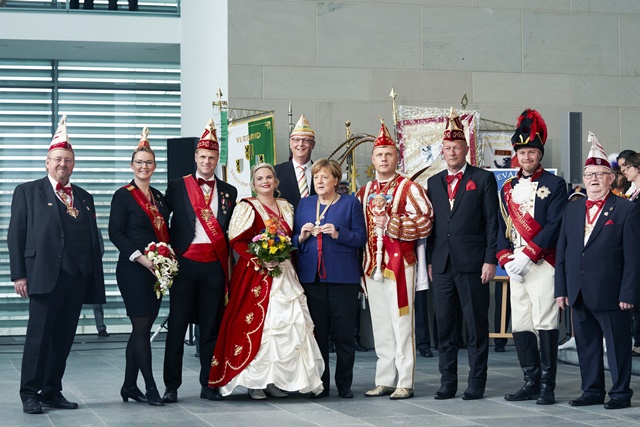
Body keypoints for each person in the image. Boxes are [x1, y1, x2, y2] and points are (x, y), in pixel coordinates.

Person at [8, 115, 106, 414]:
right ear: (47, 162)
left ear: (73, 164)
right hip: (43, 276)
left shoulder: (85, 197)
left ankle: (51, 390)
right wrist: (19, 275)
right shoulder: (27, 192)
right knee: (39, 338)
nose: (63, 164)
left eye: (68, 160)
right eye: (57, 159)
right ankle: (30, 393)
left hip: (76, 278)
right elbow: (16, 234)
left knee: (63, 339)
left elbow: (92, 238)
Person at [208, 163, 324, 399]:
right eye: (260, 178)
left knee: (289, 326)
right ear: (253, 183)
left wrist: (296, 240)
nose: (265, 181)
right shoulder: (247, 206)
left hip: (285, 272)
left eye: (269, 177)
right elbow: (237, 241)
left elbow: (290, 237)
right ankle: (256, 382)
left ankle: (277, 381)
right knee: (263, 328)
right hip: (256, 274)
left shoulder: (286, 206)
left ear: (276, 181)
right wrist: (260, 259)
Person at [555, 132, 640, 410]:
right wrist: (561, 290)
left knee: (617, 348)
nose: (593, 179)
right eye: (589, 174)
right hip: (578, 292)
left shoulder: (626, 210)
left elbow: (633, 257)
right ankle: (591, 391)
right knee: (586, 346)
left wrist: (629, 292)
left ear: (611, 178)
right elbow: (564, 253)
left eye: (600, 174)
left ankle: (619, 394)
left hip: (613, 293)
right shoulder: (573, 209)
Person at [356, 120, 433, 400]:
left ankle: (405, 380)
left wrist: (393, 223)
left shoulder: (409, 187)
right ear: (373, 159)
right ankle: (384, 379)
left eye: (389, 154)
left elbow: (426, 222)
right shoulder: (362, 193)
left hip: (401, 265)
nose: (384, 159)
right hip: (371, 267)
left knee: (402, 324)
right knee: (381, 325)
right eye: (379, 155)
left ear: (396, 157)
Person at [162, 119, 237, 403]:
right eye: (202, 156)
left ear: (218, 159)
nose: (207, 161)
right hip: (184, 265)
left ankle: (209, 383)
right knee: (178, 326)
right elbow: (160, 223)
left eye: (212, 157)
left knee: (211, 328)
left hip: (214, 267)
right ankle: (171, 385)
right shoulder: (177, 187)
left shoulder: (230, 192)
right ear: (195, 157)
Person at [426, 108, 498, 401]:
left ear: (466, 148)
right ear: (441, 151)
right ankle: (448, 381)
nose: (452, 152)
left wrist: (490, 258)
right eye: (447, 148)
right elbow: (431, 225)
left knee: (475, 325)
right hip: (442, 264)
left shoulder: (482, 179)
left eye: (457, 147)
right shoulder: (433, 182)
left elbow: (493, 221)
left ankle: (476, 381)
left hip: (473, 263)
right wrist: (431, 259)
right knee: (445, 325)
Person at [497, 109, 567, 405]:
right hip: (515, 265)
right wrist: (505, 258)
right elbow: (500, 225)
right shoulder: (507, 188)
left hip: (542, 262)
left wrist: (528, 254)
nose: (527, 156)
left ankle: (547, 385)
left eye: (532, 151)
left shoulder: (555, 185)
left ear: (540, 154)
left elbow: (554, 225)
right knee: (522, 323)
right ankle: (530, 380)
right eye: (522, 151)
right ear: (517, 155)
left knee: (545, 320)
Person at [294, 159, 367, 398]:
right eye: (316, 178)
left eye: (325, 177)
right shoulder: (305, 204)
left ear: (336, 180)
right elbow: (294, 239)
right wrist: (302, 237)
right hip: (311, 277)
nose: (320, 182)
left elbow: (359, 238)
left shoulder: (350, 203)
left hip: (343, 278)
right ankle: (320, 384)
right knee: (318, 334)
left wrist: (338, 233)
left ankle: (344, 384)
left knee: (344, 334)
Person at [108, 128, 170, 406]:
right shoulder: (124, 195)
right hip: (134, 269)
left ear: (154, 166)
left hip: (155, 271)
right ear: (132, 165)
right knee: (142, 326)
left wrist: (164, 261)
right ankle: (151, 387)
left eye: (149, 162)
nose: (144, 166)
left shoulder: (158, 196)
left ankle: (129, 386)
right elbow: (115, 233)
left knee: (141, 329)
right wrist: (141, 258)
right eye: (139, 162)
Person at [274, 114, 316, 209]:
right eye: (296, 140)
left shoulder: (321, 172)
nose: (300, 144)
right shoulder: (276, 172)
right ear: (290, 144)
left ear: (313, 145)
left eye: (305, 140)